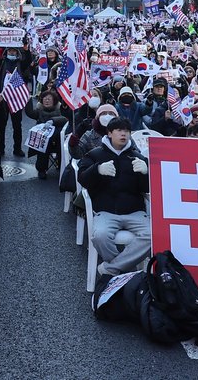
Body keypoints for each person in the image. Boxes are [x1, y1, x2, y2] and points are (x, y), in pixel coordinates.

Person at [77, 117, 151, 278]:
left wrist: (147, 174)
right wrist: (97, 170)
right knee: (100, 236)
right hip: (106, 210)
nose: (123, 134)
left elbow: (146, 189)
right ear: (109, 133)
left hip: (134, 211)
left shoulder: (137, 156)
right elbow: (81, 178)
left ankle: (111, 269)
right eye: (119, 130)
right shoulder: (95, 154)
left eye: (126, 131)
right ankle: (124, 270)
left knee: (153, 235)